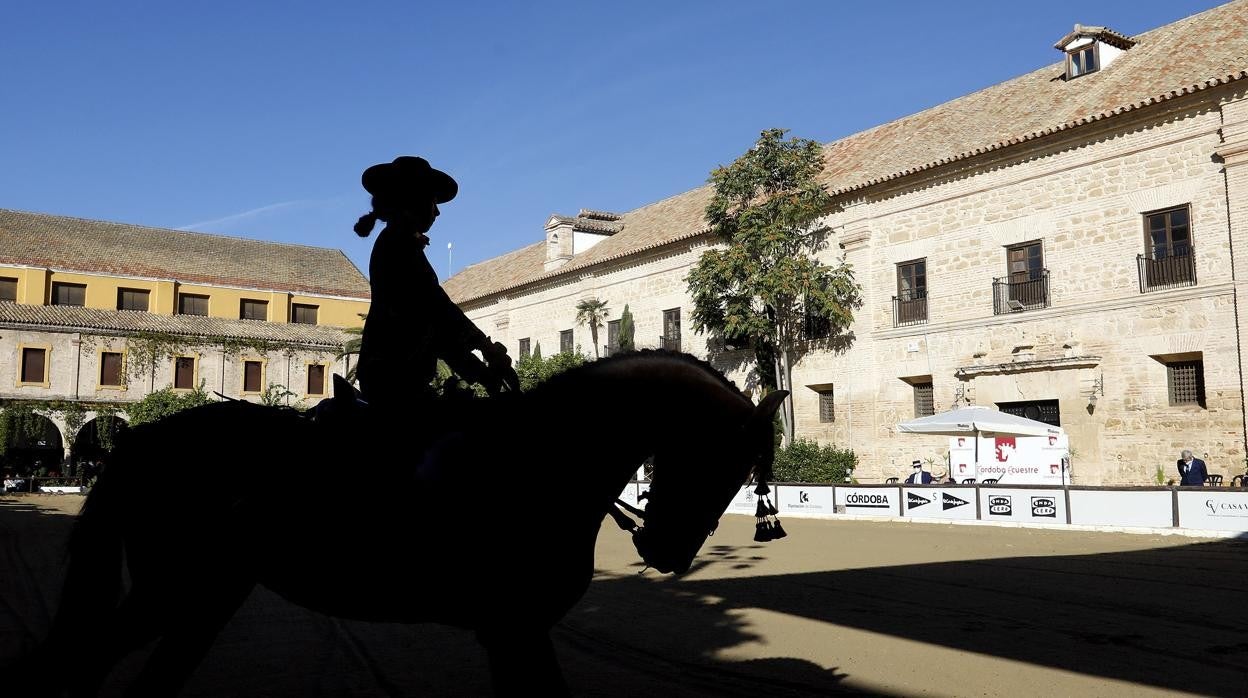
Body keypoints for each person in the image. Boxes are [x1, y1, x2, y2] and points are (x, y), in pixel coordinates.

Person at [351, 156, 519, 433]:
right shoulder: (399, 246)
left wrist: (479, 368)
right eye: (433, 202)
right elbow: (437, 312)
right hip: (396, 382)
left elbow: (435, 323)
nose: (437, 212)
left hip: (394, 378)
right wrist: (484, 351)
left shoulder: (397, 243)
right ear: (413, 201)